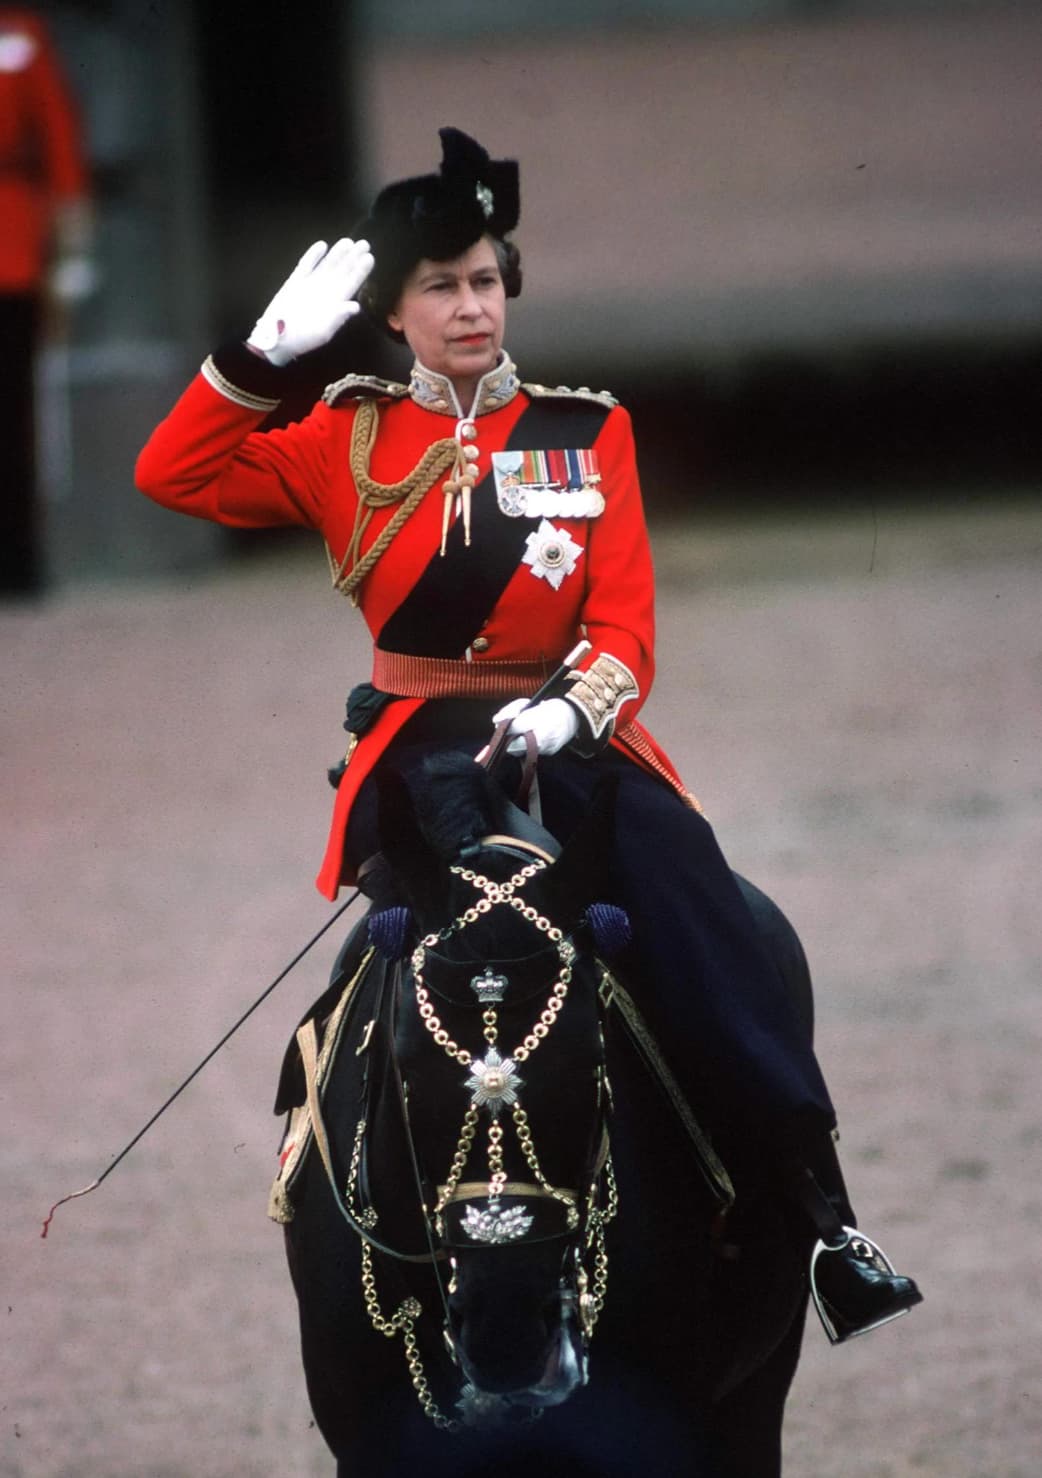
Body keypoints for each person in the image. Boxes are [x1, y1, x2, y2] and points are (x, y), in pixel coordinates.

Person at [136, 127, 921, 1343]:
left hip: (570, 747)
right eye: (441, 285)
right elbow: (170, 475)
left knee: (716, 932)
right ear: (393, 314)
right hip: (416, 755)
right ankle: (342, 1210)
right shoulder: (345, 438)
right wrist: (252, 361)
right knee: (374, 990)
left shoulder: (582, 431)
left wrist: (569, 705)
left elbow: (626, 624)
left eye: (487, 280)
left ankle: (820, 1215)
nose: (471, 306)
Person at [0, 7, 95, 596]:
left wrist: (72, 247)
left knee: (13, 419)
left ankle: (16, 561)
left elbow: (57, 139)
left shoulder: (19, 32)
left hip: (11, 248)